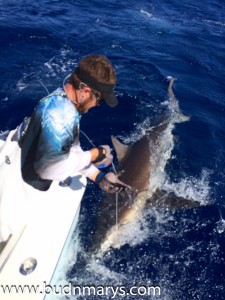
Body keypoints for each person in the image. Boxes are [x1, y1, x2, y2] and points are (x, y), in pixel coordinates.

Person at [15, 54, 128, 193]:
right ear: (85, 91)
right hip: (27, 189)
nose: (98, 105)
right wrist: (94, 154)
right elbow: (48, 170)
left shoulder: (67, 105)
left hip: (33, 174)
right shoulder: (58, 116)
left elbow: (69, 151)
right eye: (100, 100)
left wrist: (99, 177)